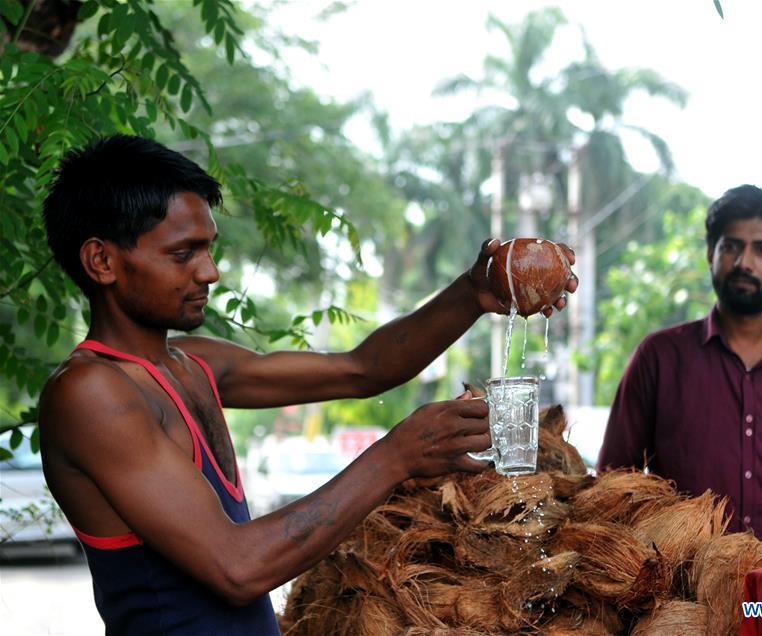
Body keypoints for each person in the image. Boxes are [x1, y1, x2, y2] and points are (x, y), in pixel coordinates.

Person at [37, 134, 578, 635]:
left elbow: (364, 369)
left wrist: (471, 293)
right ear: (102, 260)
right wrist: (397, 456)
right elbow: (237, 567)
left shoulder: (192, 364)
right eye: (183, 254)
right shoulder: (91, 394)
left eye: (208, 249)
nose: (209, 273)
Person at [597, 184, 762, 541]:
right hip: (677, 592)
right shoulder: (660, 359)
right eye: (731, 247)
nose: (744, 262)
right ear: (711, 253)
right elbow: (613, 485)